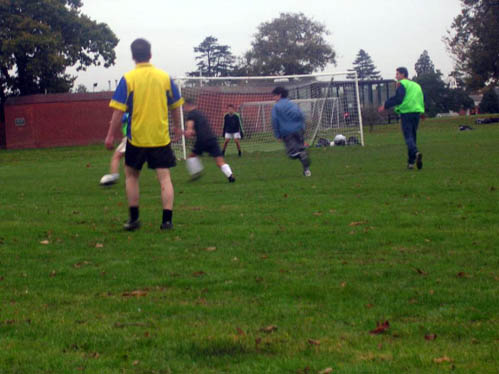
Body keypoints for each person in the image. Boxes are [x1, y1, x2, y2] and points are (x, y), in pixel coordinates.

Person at [104, 38, 183, 231]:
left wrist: (110, 135)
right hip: (160, 137)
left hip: (136, 138)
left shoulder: (128, 79)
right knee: (164, 178)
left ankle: (134, 219)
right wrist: (178, 127)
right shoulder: (165, 78)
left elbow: (118, 112)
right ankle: (167, 221)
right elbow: (175, 106)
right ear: (150, 54)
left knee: (131, 176)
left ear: (133, 56)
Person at [378, 67, 425, 170]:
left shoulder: (402, 84)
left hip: (407, 113)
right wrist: (422, 112)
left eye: (397, 74)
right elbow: (420, 98)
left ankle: (416, 153)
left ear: (403, 74)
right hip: (416, 112)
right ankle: (411, 163)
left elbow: (399, 99)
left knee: (408, 137)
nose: (396, 76)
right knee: (412, 137)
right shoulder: (416, 85)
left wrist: (385, 105)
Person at [183, 98, 235, 183]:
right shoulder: (200, 113)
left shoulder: (191, 115)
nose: (184, 108)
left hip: (201, 140)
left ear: (188, 105)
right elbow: (200, 128)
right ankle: (230, 175)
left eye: (184, 106)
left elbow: (190, 130)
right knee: (220, 162)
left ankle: (196, 172)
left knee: (191, 156)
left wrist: (186, 132)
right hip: (212, 139)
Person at [271, 86, 311, 177]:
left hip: (287, 132)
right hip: (299, 130)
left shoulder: (276, 107)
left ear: (279, 95)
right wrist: (302, 128)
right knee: (301, 150)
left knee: (292, 154)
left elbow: (275, 121)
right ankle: (307, 170)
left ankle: (302, 155)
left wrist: (277, 135)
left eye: (274, 96)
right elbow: (301, 115)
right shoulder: (292, 104)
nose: (273, 98)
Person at [100, 113, 129, 186]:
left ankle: (114, 175)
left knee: (116, 156)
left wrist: (113, 122)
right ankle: (129, 179)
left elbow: (119, 119)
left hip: (128, 139)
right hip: (131, 138)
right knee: (127, 159)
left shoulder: (126, 114)